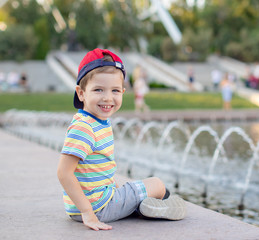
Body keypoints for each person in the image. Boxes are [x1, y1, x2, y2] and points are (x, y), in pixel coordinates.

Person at [57, 48, 186, 231]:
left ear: (123, 92)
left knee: (132, 186)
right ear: (81, 93)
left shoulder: (95, 121)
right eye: (98, 90)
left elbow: (94, 169)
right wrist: (87, 212)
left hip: (95, 202)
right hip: (97, 207)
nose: (107, 98)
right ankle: (159, 206)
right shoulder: (84, 127)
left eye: (115, 90)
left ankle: (140, 206)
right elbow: (64, 173)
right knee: (157, 184)